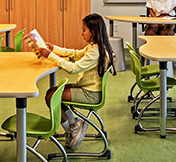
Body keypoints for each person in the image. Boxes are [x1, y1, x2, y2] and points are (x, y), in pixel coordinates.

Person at [27, 14, 114, 150]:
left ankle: (71, 131)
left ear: (93, 32)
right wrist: (54, 48)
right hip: (86, 88)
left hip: (90, 94)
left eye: (84, 30)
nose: (81, 33)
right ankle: (74, 124)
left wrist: (49, 55)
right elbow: (75, 54)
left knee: (52, 97)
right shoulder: (95, 47)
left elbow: (73, 68)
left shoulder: (95, 52)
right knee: (51, 92)